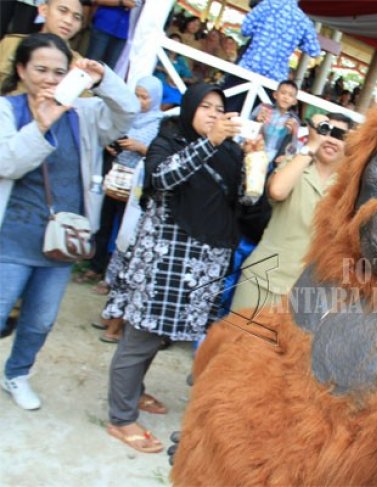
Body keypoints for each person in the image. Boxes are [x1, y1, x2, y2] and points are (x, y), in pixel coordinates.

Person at [0, 33, 138, 410]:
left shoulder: (83, 113)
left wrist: (103, 77)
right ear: (22, 69)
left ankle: (17, 374)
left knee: (40, 321)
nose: (49, 78)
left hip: (62, 242)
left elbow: (127, 112)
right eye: (40, 69)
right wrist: (40, 126)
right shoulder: (6, 110)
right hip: (10, 239)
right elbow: (7, 162)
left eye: (58, 71)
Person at [104, 84, 244, 453]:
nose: (214, 114)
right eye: (205, 107)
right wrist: (208, 143)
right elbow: (163, 177)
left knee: (161, 337)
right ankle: (120, 417)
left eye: (219, 108)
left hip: (203, 265)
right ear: (190, 109)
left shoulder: (229, 151)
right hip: (164, 260)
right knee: (140, 337)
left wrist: (252, 162)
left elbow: (238, 201)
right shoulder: (169, 137)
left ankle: (134, 392)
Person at [231, 112, 353, 311]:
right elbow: (277, 191)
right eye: (326, 131)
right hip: (261, 279)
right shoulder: (294, 163)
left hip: (303, 294)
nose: (331, 139)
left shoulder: (347, 189)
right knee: (235, 340)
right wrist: (311, 146)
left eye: (340, 136)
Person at [84, 76, 163, 342]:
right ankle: (105, 286)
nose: (140, 101)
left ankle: (113, 317)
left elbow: (157, 155)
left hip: (137, 190)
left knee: (127, 242)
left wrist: (141, 147)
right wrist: (112, 143)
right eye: (137, 95)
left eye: (145, 97)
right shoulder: (126, 115)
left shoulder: (160, 125)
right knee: (113, 232)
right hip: (115, 179)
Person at [224, 0, 320, 111]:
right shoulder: (303, 21)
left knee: (226, 107)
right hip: (274, 78)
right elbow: (314, 50)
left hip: (249, 66)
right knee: (257, 120)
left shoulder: (267, 4)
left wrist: (261, 32)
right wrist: (296, 41)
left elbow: (245, 29)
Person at [0, 0, 85, 92]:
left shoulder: (79, 65)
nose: (68, 21)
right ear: (43, 10)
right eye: (62, 11)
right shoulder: (11, 44)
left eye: (76, 17)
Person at [251, 79, 300, 165]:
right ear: (275, 95)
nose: (286, 97)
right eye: (283, 93)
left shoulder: (293, 120)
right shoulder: (263, 108)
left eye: (290, 95)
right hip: (254, 150)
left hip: (274, 160)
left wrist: (292, 133)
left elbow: (293, 146)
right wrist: (257, 122)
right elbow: (246, 128)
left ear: (294, 101)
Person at [84, 0, 136, 70]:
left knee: (108, 70)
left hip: (124, 32)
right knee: (91, 64)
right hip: (104, 25)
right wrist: (122, 2)